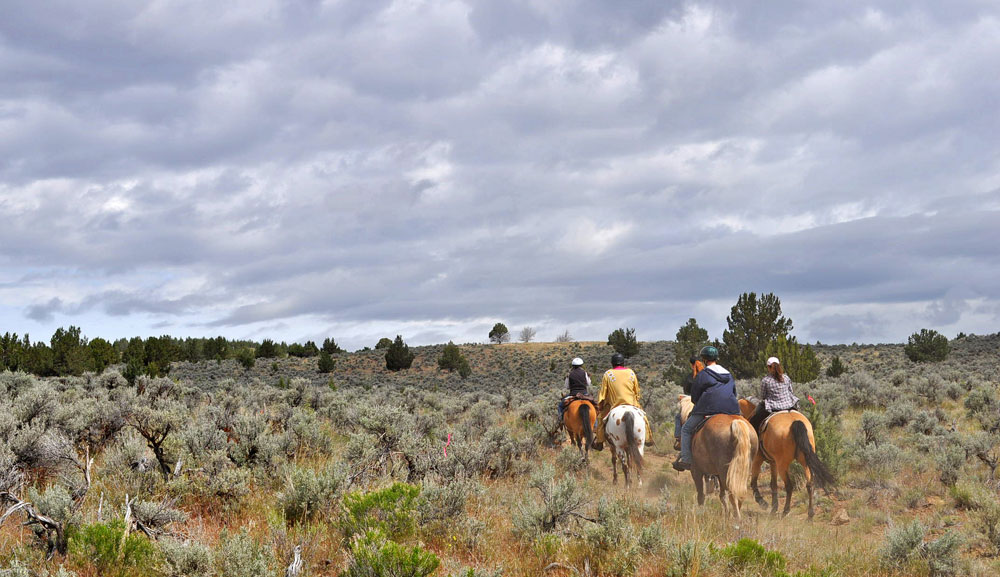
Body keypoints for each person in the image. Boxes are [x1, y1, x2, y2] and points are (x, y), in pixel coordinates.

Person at [672, 345, 739, 471]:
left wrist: (699, 403)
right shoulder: (728, 374)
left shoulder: (703, 374)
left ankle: (686, 460)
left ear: (704, 359)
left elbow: (695, 396)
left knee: (686, 430)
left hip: (708, 409)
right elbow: (734, 393)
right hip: (731, 409)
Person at [593, 353, 654, 450]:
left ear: (612, 363)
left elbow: (603, 393)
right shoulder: (631, 372)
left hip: (614, 404)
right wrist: (636, 399)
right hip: (631, 403)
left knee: (600, 419)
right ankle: (648, 437)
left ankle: (599, 441)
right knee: (644, 417)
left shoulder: (608, 374)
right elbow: (637, 391)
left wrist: (600, 405)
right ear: (623, 363)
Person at [748, 356, 799, 432]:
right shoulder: (786, 377)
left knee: (754, 420)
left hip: (774, 407)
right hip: (789, 405)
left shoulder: (766, 380)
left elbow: (763, 396)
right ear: (779, 365)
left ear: (768, 367)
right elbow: (790, 391)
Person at [674, 356, 705, 450]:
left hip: (691, 398)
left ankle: (679, 439)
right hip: (706, 399)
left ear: (691, 365)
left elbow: (686, 390)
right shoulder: (707, 375)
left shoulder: (690, 376)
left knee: (678, 416)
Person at [557, 357, 592, 422]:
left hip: (573, 394)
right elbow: (588, 383)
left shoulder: (569, 374)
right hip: (584, 394)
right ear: (581, 365)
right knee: (594, 406)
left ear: (573, 366)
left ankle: (561, 421)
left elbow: (567, 386)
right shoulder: (584, 373)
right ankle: (595, 424)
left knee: (560, 406)